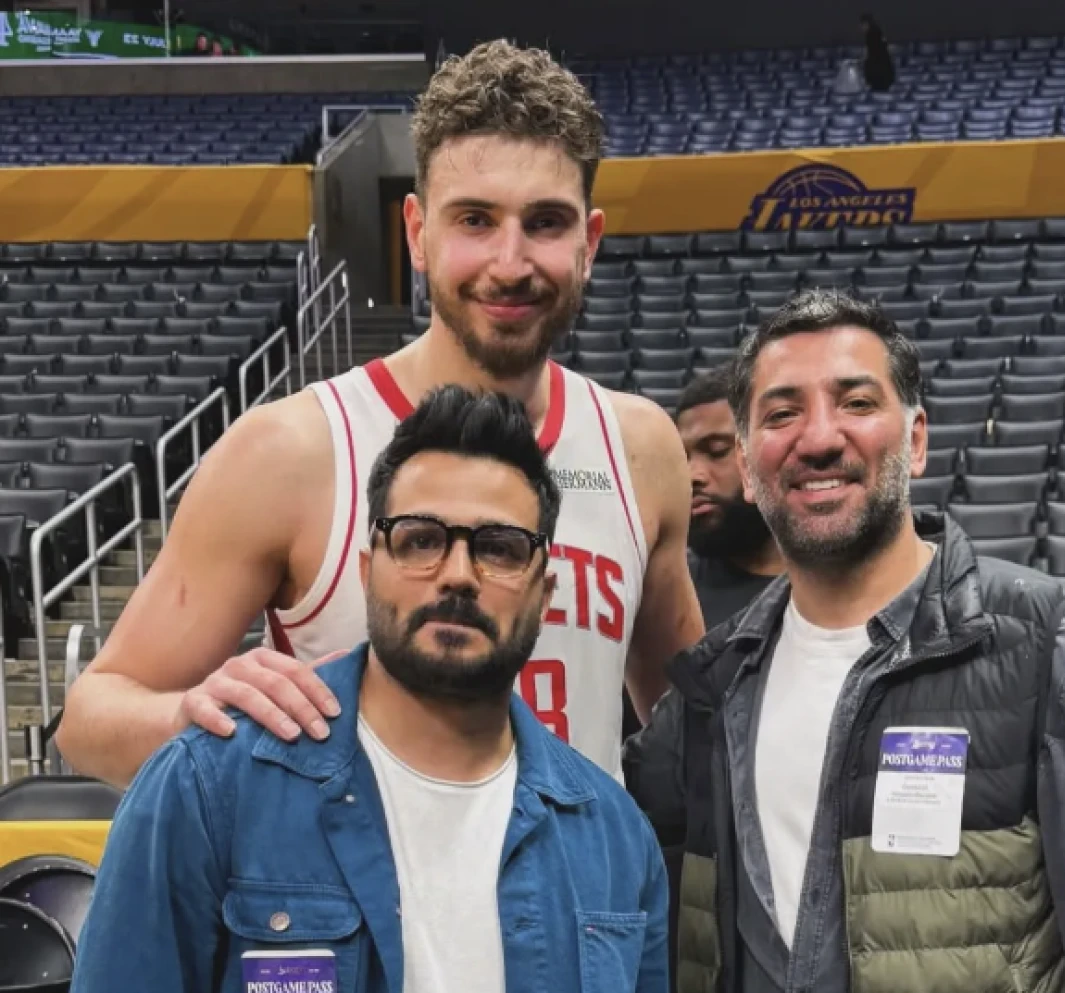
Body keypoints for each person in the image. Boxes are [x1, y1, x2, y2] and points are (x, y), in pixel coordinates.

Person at [57, 39, 703, 787]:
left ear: (589, 242)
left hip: (577, 864)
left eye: (546, 222)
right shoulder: (290, 450)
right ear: (417, 233)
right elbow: (90, 720)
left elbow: (697, 725)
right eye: (475, 220)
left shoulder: (641, 446)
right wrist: (193, 720)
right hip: (354, 866)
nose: (510, 262)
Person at [625, 289, 1065, 993]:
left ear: (916, 440)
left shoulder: (1056, 652)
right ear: (747, 465)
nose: (819, 437)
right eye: (782, 413)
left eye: (857, 402)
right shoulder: (708, 690)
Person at [71, 387, 669, 993]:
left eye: (499, 549)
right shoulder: (206, 788)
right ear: (367, 572)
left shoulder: (617, 838)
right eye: (420, 540)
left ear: (544, 594)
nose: (458, 575)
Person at [677, 364, 782, 629]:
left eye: (716, 451)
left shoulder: (844, 585)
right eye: (681, 459)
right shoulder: (674, 599)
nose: (692, 475)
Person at [860, 14, 895, 93]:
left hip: (877, 74)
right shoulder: (880, 34)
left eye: (862, 25)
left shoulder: (870, 36)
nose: (861, 28)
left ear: (866, 24)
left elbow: (868, 54)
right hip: (885, 75)